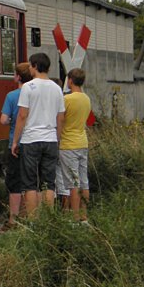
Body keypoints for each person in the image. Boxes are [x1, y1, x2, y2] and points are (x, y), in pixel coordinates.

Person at [10, 52, 64, 217]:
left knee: (30, 183)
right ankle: (48, 218)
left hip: (31, 140)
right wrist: (58, 139)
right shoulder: (57, 88)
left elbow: (22, 115)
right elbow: (60, 117)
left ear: (34, 66)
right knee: (48, 183)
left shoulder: (28, 87)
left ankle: (33, 220)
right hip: (51, 140)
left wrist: (15, 141)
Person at [0, 61, 32, 231]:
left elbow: (4, 119)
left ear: (18, 77)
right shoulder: (36, 93)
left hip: (16, 143)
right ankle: (29, 217)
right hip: (35, 142)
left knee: (15, 183)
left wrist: (12, 120)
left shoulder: (12, 96)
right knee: (32, 182)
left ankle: (13, 220)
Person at [57, 67, 91, 224]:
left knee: (72, 183)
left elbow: (61, 120)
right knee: (84, 182)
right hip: (83, 142)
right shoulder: (86, 99)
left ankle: (74, 217)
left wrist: (57, 139)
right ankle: (84, 216)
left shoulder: (66, 100)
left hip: (69, 144)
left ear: (70, 80)